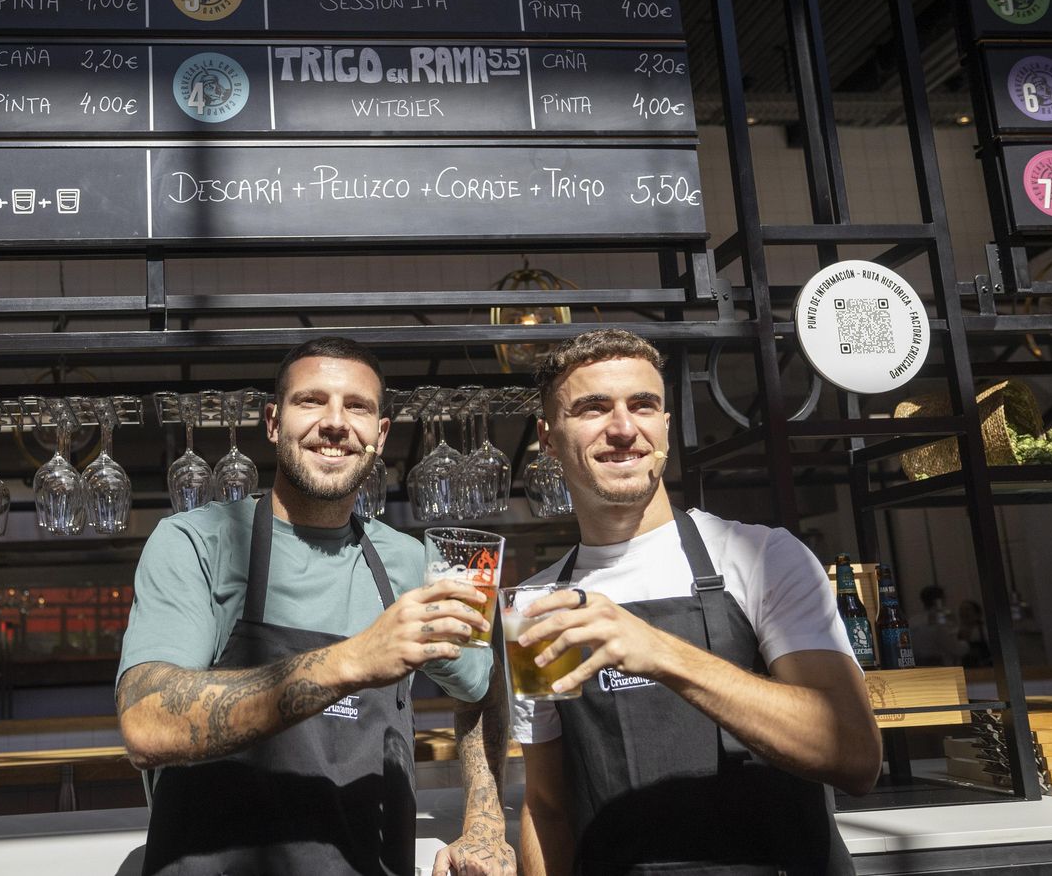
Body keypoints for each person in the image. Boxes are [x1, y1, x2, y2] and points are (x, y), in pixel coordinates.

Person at [118, 337, 514, 876]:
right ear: (273, 423)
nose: (335, 422)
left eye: (358, 407)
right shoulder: (196, 541)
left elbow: (484, 688)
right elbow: (146, 721)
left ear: (380, 435)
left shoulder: (413, 562)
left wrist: (485, 829)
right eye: (311, 401)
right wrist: (354, 660)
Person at [512, 329, 882, 875]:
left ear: (665, 425)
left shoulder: (762, 557)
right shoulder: (537, 605)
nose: (622, 428)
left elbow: (855, 754)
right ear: (547, 437)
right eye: (593, 408)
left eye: (643, 405)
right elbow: (547, 804)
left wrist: (661, 652)